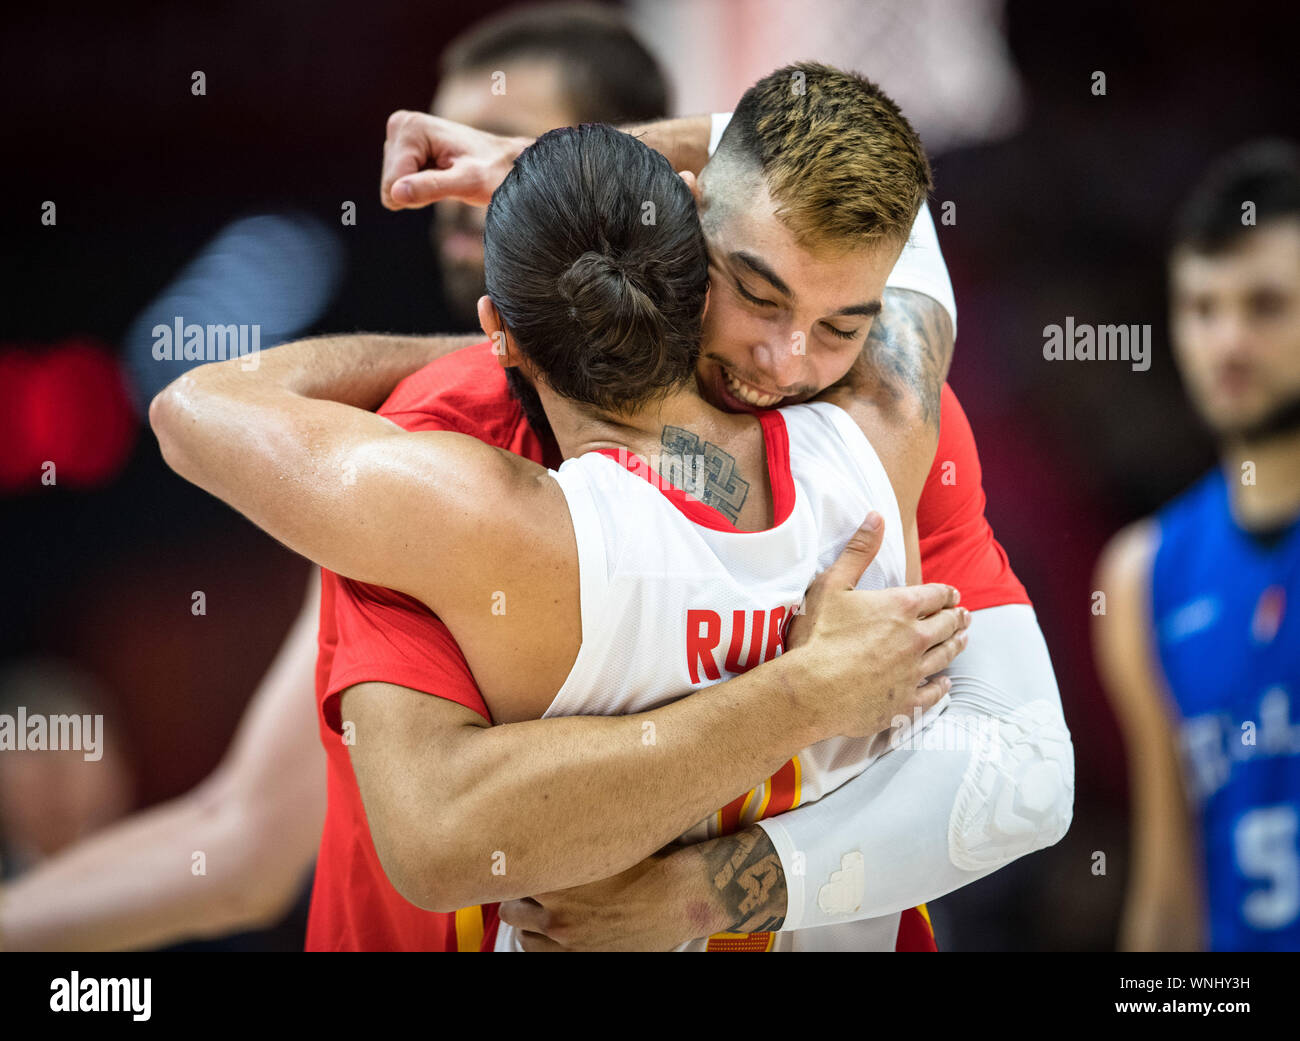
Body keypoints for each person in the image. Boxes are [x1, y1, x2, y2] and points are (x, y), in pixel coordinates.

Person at [182, 63, 1072, 952]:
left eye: (839, 326)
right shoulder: (889, 423)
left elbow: (191, 409)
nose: (785, 359)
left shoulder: (465, 499)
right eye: (757, 295)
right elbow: (899, 205)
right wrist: (801, 694)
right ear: (688, 230)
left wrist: (528, 288)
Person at [0, 1, 672, 952]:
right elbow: (238, 843)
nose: (453, 180)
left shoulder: (745, 442)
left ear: (631, 170)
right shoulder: (412, 445)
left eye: (502, 146)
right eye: (440, 149)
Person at [1096, 141, 1300, 952]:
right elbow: (1167, 898)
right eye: (1202, 308)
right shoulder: (1143, 576)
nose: (1229, 343)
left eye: (1266, 305)